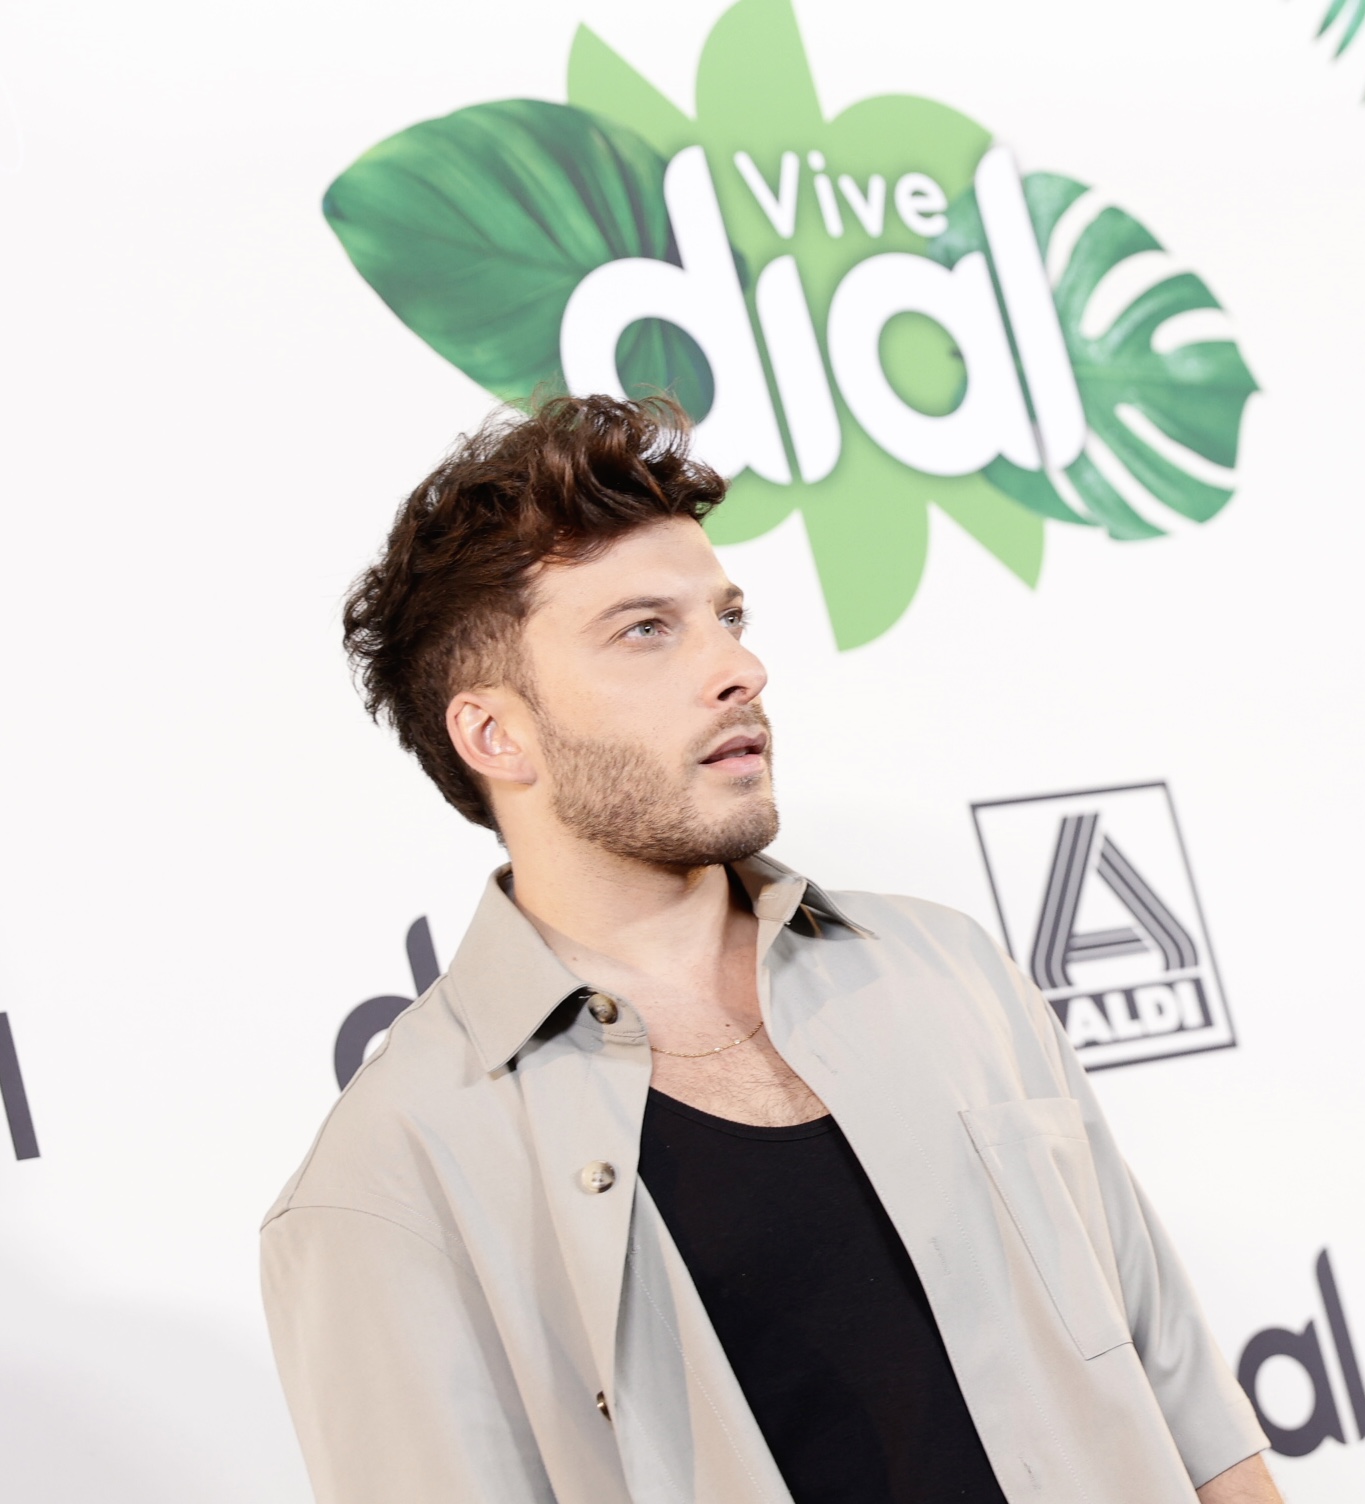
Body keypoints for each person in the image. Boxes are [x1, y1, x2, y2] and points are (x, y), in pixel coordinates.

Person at [261, 395, 1283, 1504]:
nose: (739, 668)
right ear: (495, 734)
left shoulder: (950, 969)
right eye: (646, 629)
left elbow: (1188, 1407)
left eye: (729, 617)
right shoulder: (386, 1181)